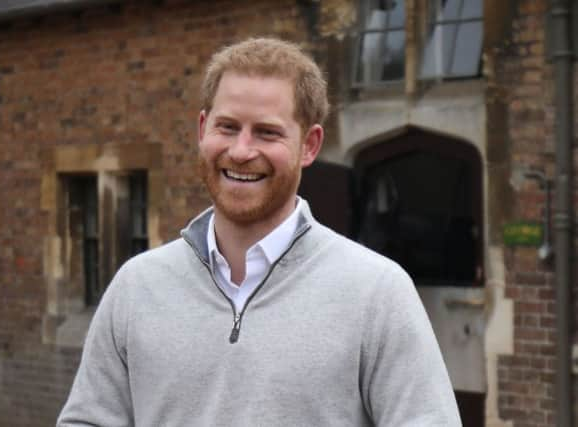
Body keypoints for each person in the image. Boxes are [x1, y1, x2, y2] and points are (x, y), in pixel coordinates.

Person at [57, 37, 461, 426]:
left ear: (310, 144)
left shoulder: (377, 291)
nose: (241, 151)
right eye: (227, 127)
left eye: (267, 132)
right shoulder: (137, 286)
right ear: (202, 130)